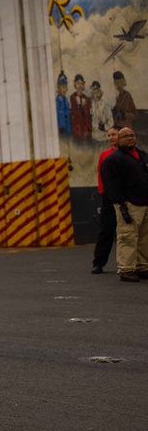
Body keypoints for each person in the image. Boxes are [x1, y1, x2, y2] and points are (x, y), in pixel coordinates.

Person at [100, 127, 148, 282]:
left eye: (132, 135)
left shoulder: (142, 156)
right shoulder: (113, 159)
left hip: (144, 203)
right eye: (125, 136)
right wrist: (121, 202)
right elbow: (110, 184)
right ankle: (126, 269)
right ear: (118, 140)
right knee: (127, 237)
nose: (129, 138)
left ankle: (142, 267)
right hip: (128, 205)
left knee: (144, 237)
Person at [92, 126, 121, 273]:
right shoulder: (105, 155)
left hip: (128, 197)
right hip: (108, 197)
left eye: (114, 134)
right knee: (106, 230)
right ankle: (99, 262)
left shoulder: (130, 153)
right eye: (109, 135)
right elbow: (100, 174)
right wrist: (103, 191)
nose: (111, 138)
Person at [69, 74, 91, 141]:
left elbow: (87, 114)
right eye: (78, 83)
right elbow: (75, 112)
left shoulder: (86, 99)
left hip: (85, 129)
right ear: (75, 84)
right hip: (77, 128)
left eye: (81, 83)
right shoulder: (73, 97)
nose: (80, 86)